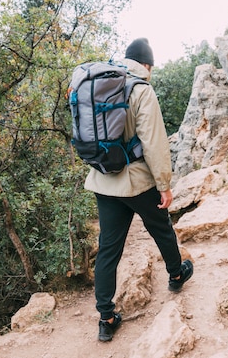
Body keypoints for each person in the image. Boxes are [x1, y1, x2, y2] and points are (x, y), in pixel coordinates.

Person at [84, 38, 193, 342]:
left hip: (103, 181)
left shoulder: (102, 83)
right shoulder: (141, 90)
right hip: (135, 181)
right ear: (147, 65)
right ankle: (175, 274)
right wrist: (165, 185)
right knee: (161, 227)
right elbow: (154, 143)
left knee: (108, 248)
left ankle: (106, 318)